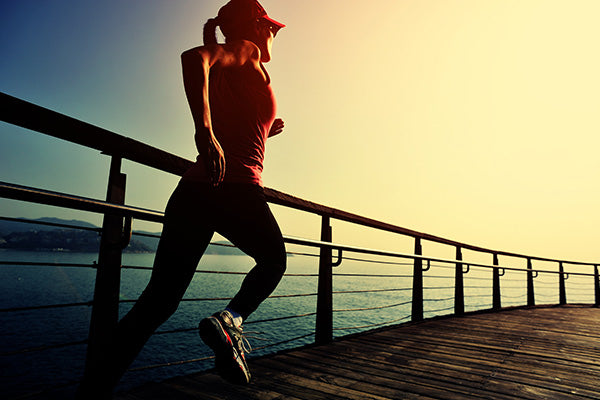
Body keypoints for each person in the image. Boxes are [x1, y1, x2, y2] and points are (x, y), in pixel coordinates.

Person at [76, 0, 286, 397]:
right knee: (274, 260)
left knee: (158, 301)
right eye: (272, 27)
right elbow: (194, 58)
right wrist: (204, 132)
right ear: (256, 26)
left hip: (195, 190)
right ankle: (231, 321)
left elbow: (229, 107)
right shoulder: (248, 51)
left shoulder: (242, 68)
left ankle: (92, 390)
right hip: (235, 187)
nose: (275, 34)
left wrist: (262, 129)